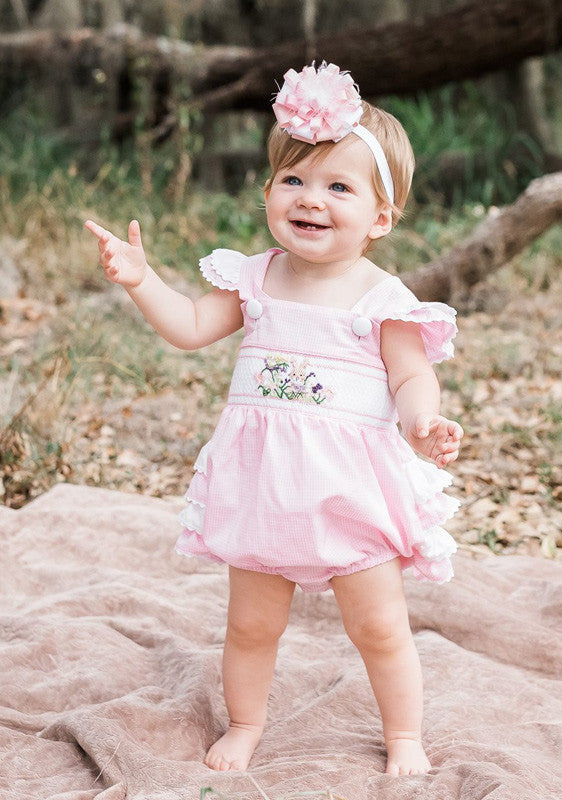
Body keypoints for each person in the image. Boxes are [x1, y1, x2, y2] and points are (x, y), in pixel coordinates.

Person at [85, 61, 463, 778]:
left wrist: (422, 424)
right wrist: (143, 281)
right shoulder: (254, 278)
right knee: (252, 625)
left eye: (338, 187)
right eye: (294, 180)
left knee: (379, 626)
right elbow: (192, 326)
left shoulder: (382, 298)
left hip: (350, 488)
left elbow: (412, 375)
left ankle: (405, 737)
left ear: (380, 217)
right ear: (268, 193)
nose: (310, 199)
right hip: (264, 484)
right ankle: (248, 723)